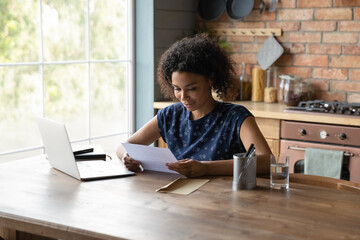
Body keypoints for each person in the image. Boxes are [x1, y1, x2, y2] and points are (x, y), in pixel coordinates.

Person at [116, 34, 271, 177]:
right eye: (177, 89)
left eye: (191, 88)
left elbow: (266, 161)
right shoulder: (170, 115)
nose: (183, 97)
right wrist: (126, 157)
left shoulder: (236, 117)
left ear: (211, 79)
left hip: (222, 199)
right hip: (179, 198)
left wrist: (206, 168)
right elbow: (124, 146)